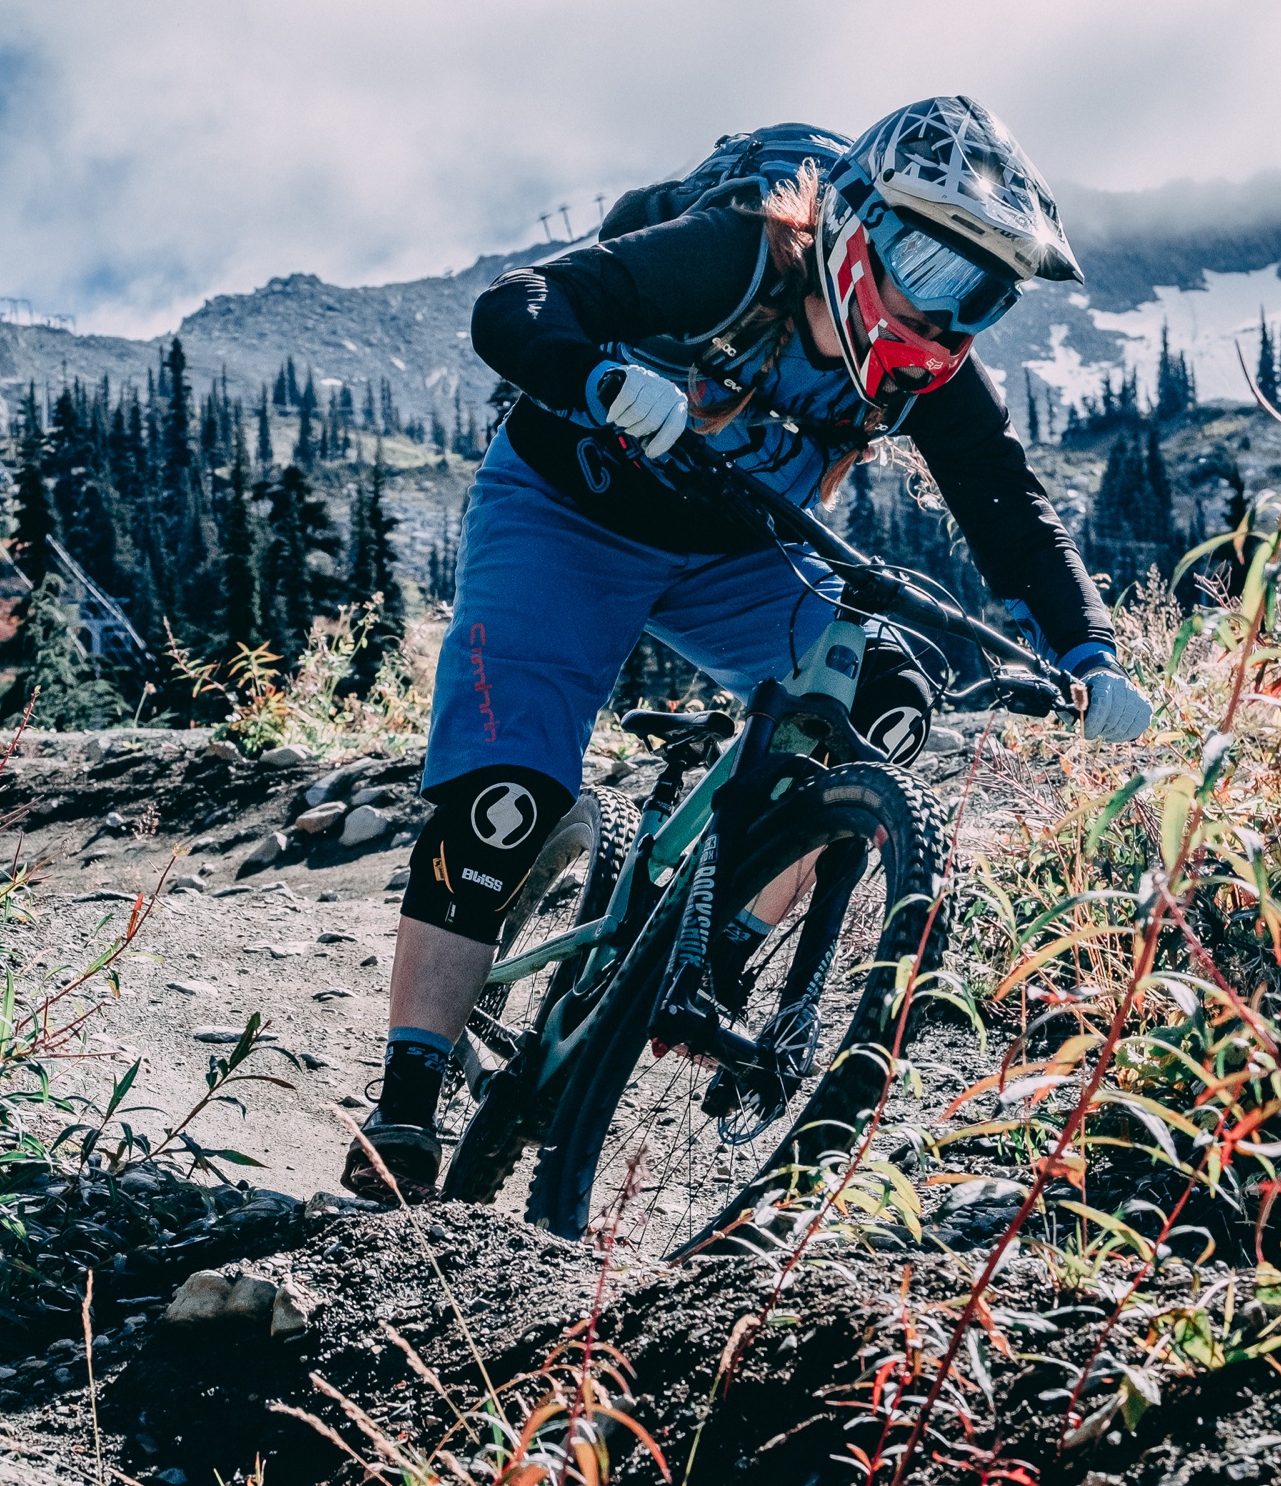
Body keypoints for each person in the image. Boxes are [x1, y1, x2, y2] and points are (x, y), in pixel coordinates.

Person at [343, 96, 1152, 1203]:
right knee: (505, 799)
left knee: (883, 702)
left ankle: (709, 954)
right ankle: (407, 1102)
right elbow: (517, 305)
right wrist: (597, 379)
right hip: (563, 516)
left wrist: (1090, 651)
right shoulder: (736, 257)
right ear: (856, 226)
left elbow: (1007, 504)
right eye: (927, 261)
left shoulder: (926, 372)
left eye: (981, 290)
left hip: (737, 551)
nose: (944, 307)